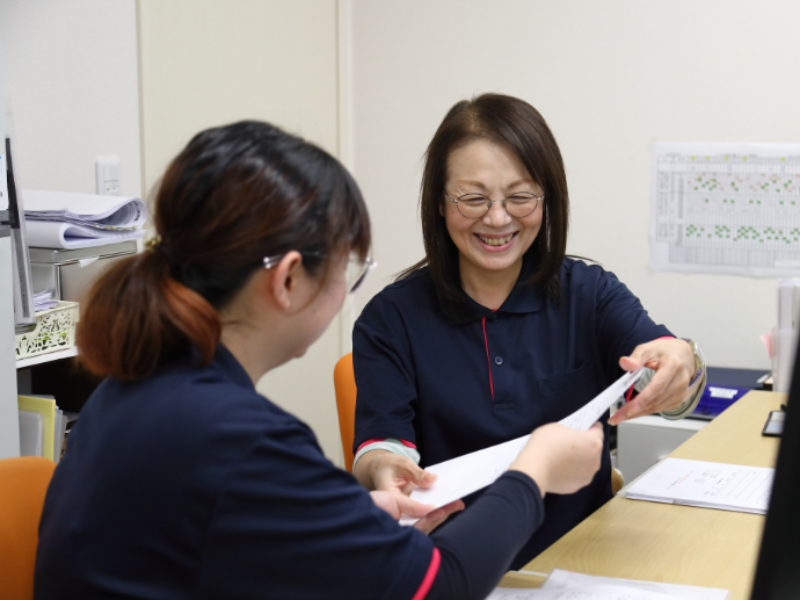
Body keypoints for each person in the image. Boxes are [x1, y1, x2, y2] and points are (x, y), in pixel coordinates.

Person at [34, 120, 607, 600]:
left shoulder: (131, 390)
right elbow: (442, 587)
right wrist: (534, 471)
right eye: (345, 270)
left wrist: (348, 522)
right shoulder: (242, 439)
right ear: (287, 279)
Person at [352, 94, 707, 569]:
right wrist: (383, 467)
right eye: (473, 198)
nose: (498, 218)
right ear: (439, 202)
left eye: (520, 197)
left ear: (547, 199)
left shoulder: (589, 292)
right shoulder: (391, 318)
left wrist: (680, 363)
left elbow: (665, 367)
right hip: (457, 566)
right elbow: (381, 444)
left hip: (585, 562)